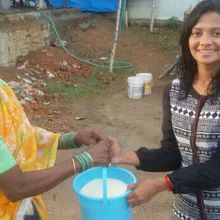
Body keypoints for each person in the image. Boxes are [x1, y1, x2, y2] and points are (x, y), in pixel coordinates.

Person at [110, 1, 220, 219]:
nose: (205, 41)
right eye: (197, 33)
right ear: (187, 38)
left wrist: (164, 183)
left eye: (216, 33)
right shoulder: (176, 91)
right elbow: (173, 153)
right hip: (185, 213)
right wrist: (123, 156)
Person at [0, 78, 111, 219]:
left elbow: (21, 134)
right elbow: (16, 187)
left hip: (22, 207)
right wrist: (82, 160)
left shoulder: (2, 89)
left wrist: (72, 139)